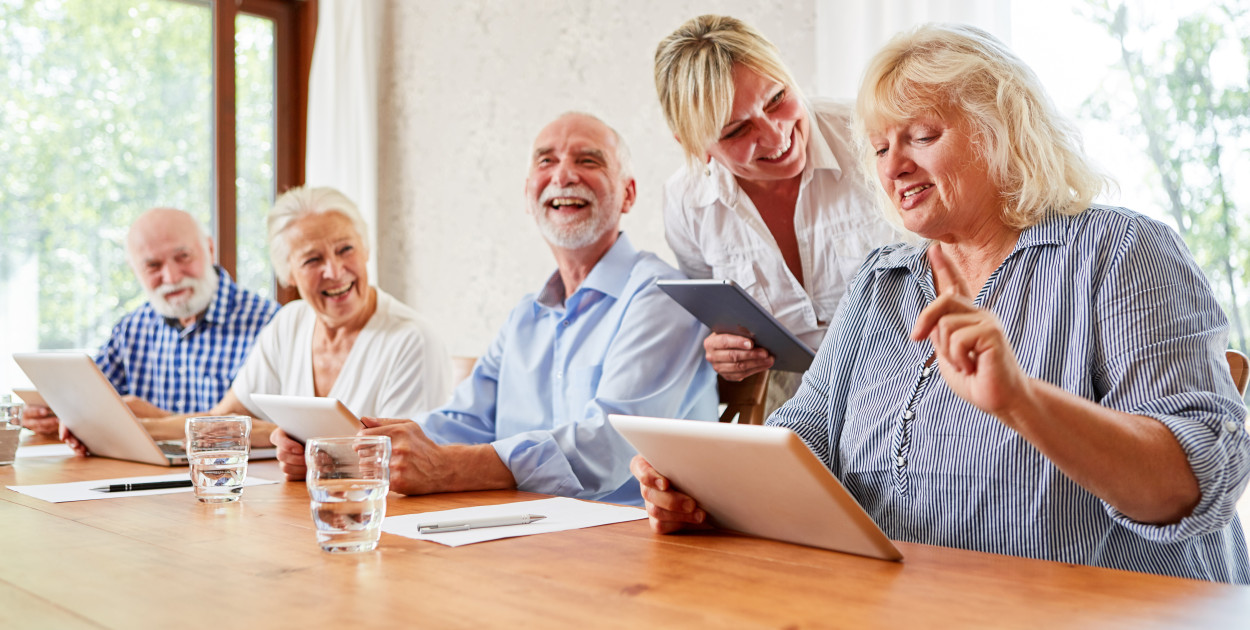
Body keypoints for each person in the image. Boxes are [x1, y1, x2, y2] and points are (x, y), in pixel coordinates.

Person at [633, 23, 1250, 583]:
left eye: (922, 137)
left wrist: (1023, 401)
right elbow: (800, 444)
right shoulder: (884, 280)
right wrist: (704, 491)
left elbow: (1195, 486)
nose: (894, 166)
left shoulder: (1119, 252)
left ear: (1002, 129)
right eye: (879, 149)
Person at [273, 112, 719, 506]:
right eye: (546, 161)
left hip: (635, 546)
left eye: (589, 160)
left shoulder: (663, 294)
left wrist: (449, 468)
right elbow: (459, 422)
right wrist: (341, 452)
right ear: (529, 196)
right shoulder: (526, 316)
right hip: (525, 536)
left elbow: (610, 446)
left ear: (628, 194)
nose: (564, 175)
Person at [63, 186, 453, 452]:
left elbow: (396, 459)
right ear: (288, 273)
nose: (334, 271)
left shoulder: (411, 340)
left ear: (365, 250)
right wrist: (123, 429)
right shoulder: (290, 323)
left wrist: (286, 439)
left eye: (345, 249)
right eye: (312, 260)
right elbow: (223, 422)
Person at [654, 14, 898, 410]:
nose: (775, 135)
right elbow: (716, 323)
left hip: (905, 380)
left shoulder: (869, 136)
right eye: (736, 131)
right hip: (789, 406)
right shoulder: (686, 203)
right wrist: (724, 353)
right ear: (695, 144)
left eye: (777, 99)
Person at [21, 207, 278, 435]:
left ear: (210, 250)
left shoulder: (272, 325)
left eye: (183, 257)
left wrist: (151, 418)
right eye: (153, 266)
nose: (172, 276)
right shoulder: (132, 328)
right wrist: (48, 413)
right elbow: (86, 399)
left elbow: (273, 430)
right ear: (135, 271)